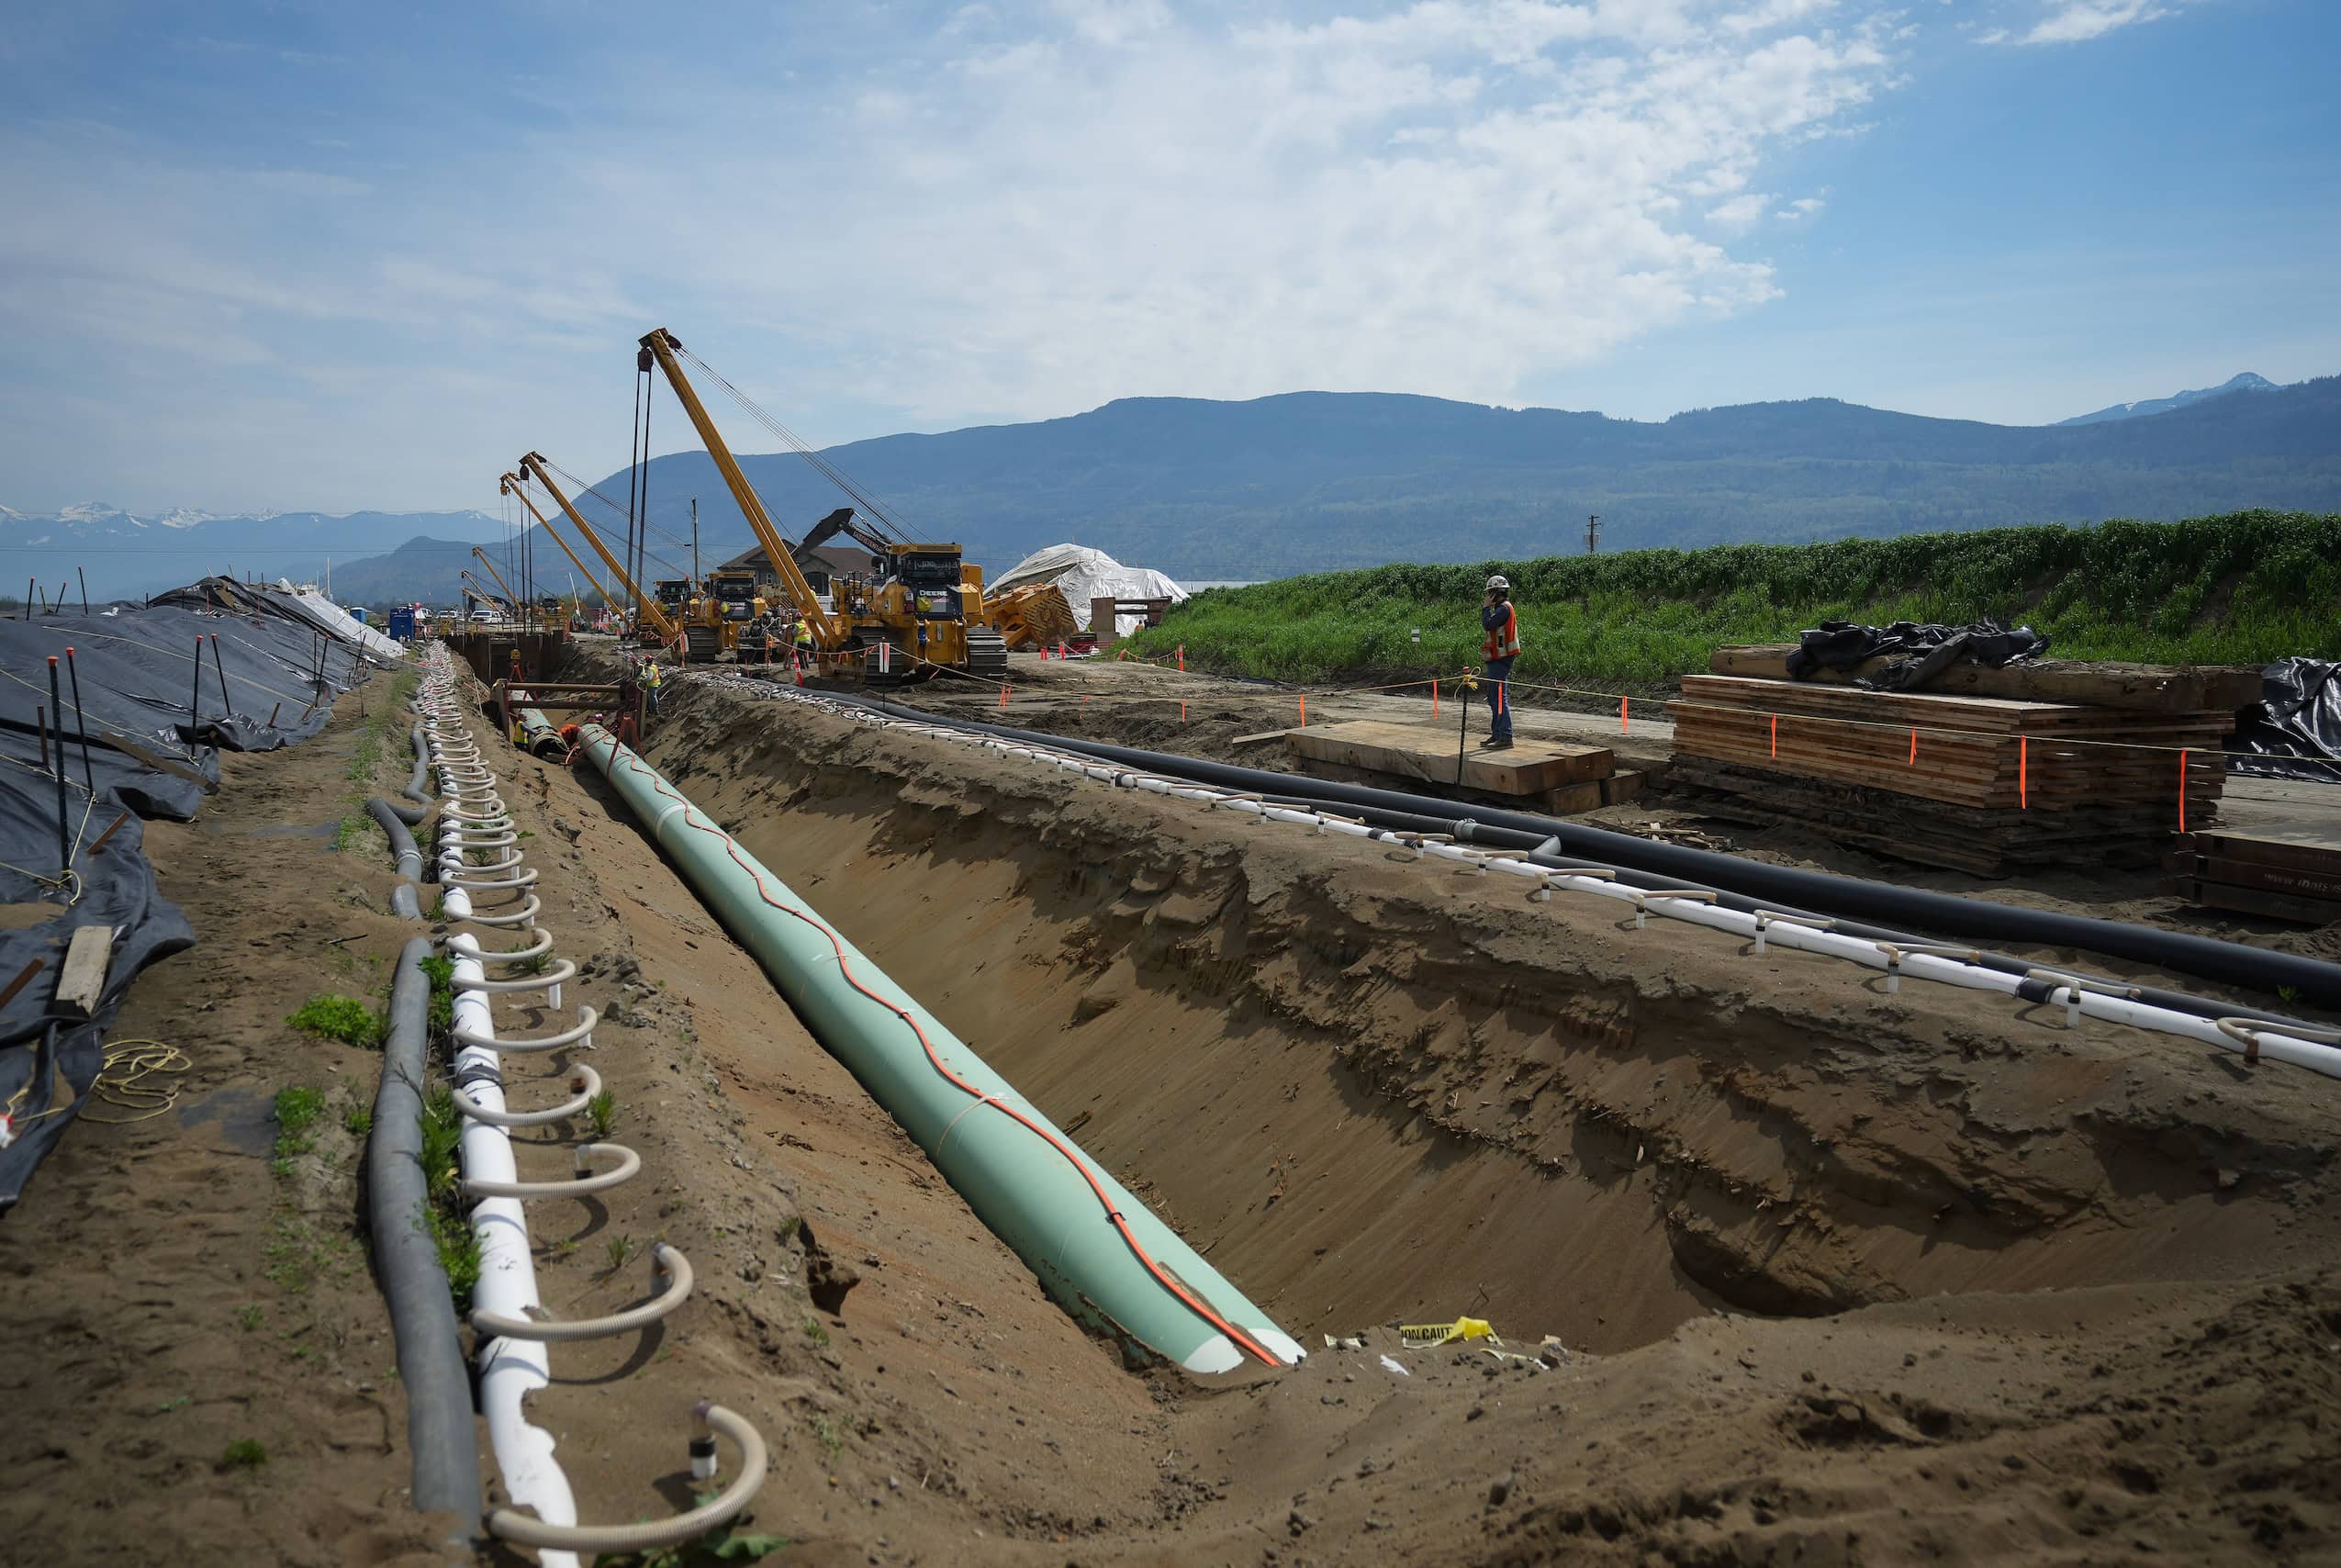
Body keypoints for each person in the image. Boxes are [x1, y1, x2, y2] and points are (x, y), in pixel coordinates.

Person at [1479, 574, 1518, 750]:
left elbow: (1488, 624)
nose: (1488, 597)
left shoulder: (1503, 609)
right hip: (1497, 657)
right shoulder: (1501, 609)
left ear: (1497, 592)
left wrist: (1485, 609)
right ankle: (1497, 733)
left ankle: (1505, 736)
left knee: (1499, 698)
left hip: (1501, 658)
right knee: (1494, 698)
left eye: (1490, 593)